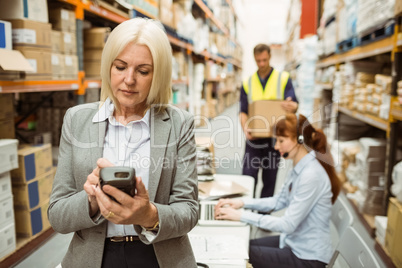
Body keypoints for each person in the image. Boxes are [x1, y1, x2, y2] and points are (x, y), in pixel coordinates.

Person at [48, 18, 199, 268]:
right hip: (95, 258)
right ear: (108, 66)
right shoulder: (77, 120)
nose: (129, 79)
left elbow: (189, 211)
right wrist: (92, 200)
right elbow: (57, 215)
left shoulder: (179, 124)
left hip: (158, 256)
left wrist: (149, 215)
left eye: (143, 71)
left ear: (157, 75)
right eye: (120, 67)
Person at [215, 113, 342, 268]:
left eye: (281, 141)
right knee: (242, 244)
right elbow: (278, 201)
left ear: (300, 141)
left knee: (239, 251)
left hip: (308, 257)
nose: (276, 146)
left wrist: (240, 216)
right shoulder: (299, 166)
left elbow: (287, 224)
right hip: (292, 242)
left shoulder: (311, 175)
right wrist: (241, 202)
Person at [240, 43, 298, 198]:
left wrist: (292, 106)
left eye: (264, 60)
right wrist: (245, 128)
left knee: (269, 181)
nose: (262, 64)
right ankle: (244, 214)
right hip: (253, 140)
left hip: (274, 142)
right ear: (254, 59)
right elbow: (243, 112)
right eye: (258, 60)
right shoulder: (248, 82)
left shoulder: (283, 79)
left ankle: (262, 219)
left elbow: (294, 105)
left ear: (270, 57)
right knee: (247, 178)